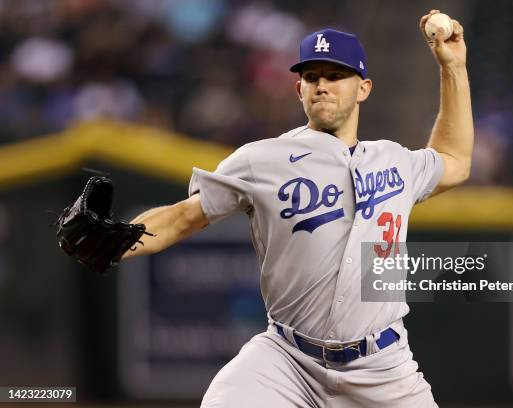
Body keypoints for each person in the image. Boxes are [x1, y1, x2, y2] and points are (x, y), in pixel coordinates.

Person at [122, 10, 473, 408]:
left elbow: (454, 160)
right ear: (299, 90)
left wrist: (453, 67)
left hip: (382, 369)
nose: (322, 86)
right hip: (288, 359)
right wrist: (121, 239)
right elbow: (182, 216)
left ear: (364, 89)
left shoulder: (393, 160)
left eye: (336, 75)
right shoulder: (261, 159)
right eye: (312, 77)